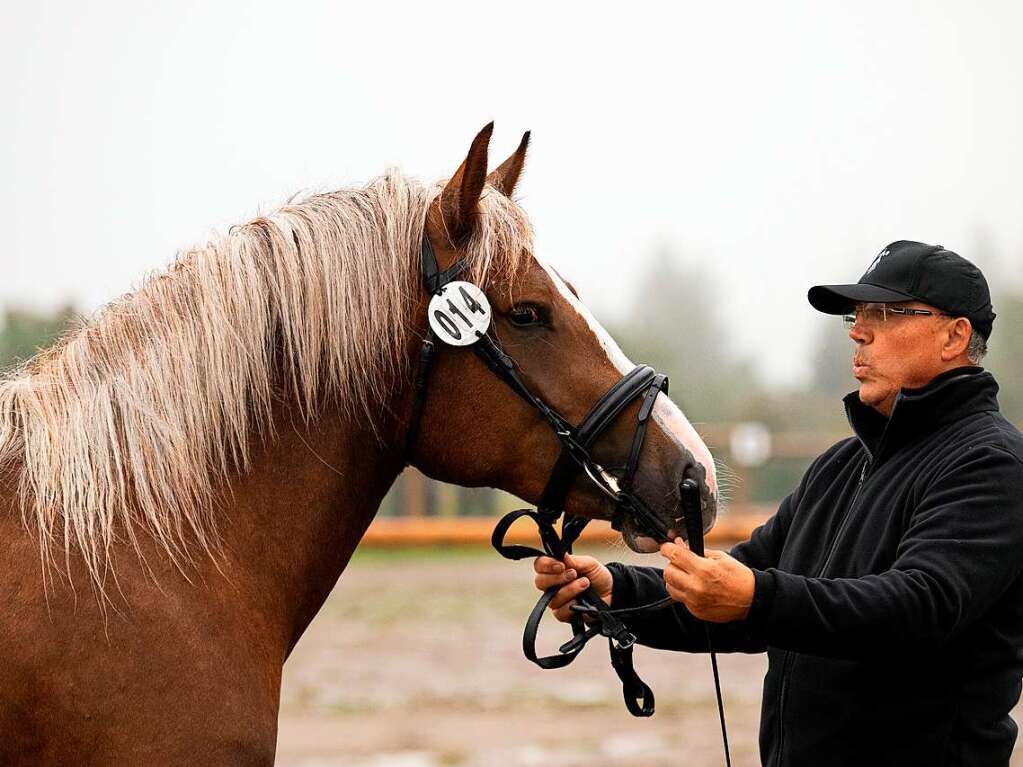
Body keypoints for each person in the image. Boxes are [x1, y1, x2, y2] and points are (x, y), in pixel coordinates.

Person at [534, 241, 1023, 766]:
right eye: (856, 316)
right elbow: (741, 581)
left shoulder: (992, 464)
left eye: (885, 313)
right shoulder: (839, 466)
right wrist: (614, 592)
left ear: (955, 335)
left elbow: (919, 608)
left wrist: (755, 599)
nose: (859, 331)